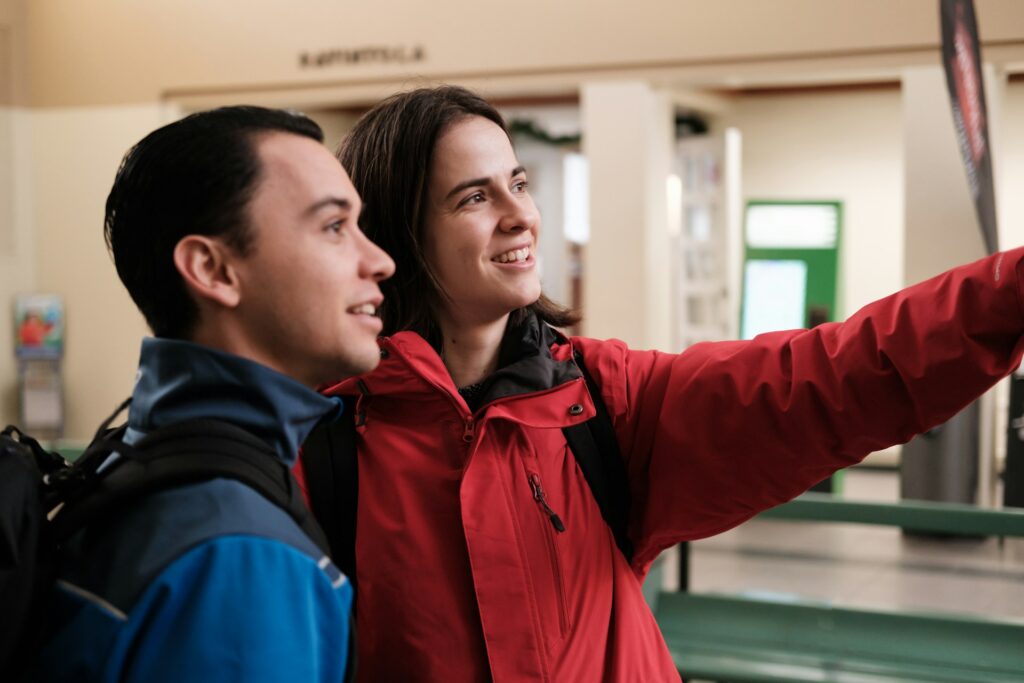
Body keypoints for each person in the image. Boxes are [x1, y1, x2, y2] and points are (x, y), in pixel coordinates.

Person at [295, 84, 1024, 682]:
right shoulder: (324, 448)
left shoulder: (603, 403)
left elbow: (833, 375)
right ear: (399, 234)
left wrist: (1010, 293)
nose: (522, 215)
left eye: (519, 182)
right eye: (475, 197)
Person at [36, 106, 394, 682]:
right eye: (334, 227)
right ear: (213, 268)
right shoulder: (241, 559)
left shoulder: (131, 459)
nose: (379, 261)